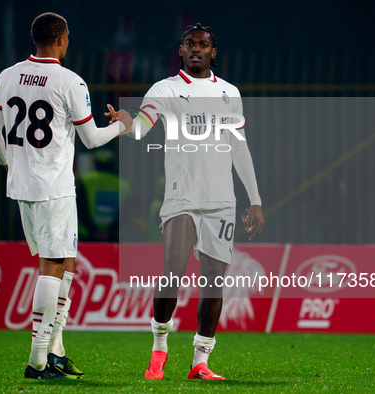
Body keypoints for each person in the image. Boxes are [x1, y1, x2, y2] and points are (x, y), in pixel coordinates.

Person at [0, 12, 132, 379]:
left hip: (23, 187)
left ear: (35, 38)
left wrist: (8, 165)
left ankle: (56, 349)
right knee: (52, 266)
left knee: (65, 262)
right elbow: (91, 139)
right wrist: (121, 128)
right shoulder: (70, 81)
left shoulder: (8, 76)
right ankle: (36, 361)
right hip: (54, 188)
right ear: (63, 40)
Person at [134, 23, 265, 381]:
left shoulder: (229, 93)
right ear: (180, 50)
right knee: (172, 274)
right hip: (182, 198)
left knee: (213, 283)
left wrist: (254, 199)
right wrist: (126, 123)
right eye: (190, 44)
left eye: (203, 44)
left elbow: (239, 146)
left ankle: (200, 360)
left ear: (213, 51)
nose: (196, 49)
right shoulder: (165, 89)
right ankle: (159, 348)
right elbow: (141, 128)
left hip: (221, 201)